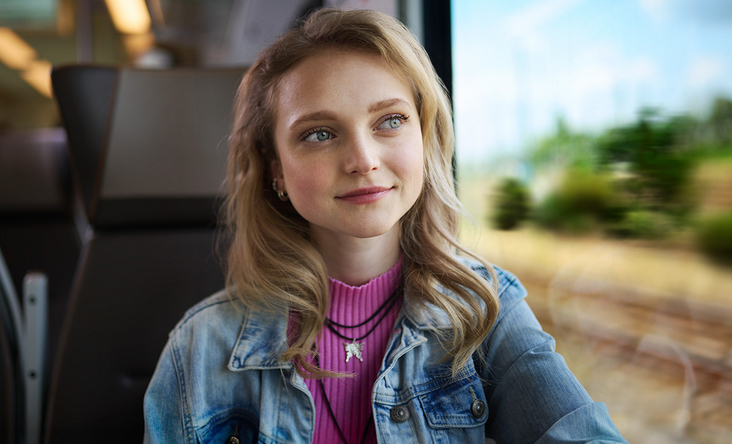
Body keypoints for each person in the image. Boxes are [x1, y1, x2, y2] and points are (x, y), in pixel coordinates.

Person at [143, 8, 627, 444]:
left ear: (424, 135)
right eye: (319, 134)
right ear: (275, 168)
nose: (362, 160)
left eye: (390, 121)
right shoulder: (202, 347)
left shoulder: (485, 312)